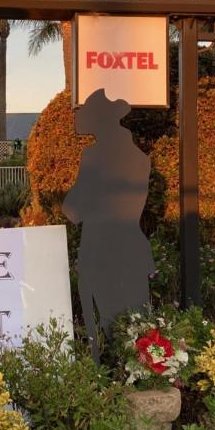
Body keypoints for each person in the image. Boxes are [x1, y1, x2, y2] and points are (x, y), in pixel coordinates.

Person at [63, 88, 154, 361]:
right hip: (133, 248)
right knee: (138, 328)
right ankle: (141, 376)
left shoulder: (95, 156)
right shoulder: (140, 157)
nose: (79, 117)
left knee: (110, 328)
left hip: (104, 251)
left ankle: (114, 387)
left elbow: (73, 210)